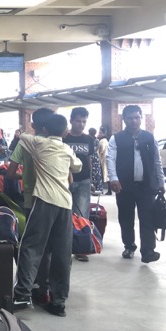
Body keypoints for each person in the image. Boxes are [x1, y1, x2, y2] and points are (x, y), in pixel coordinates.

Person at [12, 113, 81, 317]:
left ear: (43, 130)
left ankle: (22, 294)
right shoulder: (67, 149)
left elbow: (21, 135)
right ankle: (59, 302)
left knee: (31, 247)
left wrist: (22, 133)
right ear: (66, 131)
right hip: (65, 204)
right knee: (61, 252)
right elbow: (78, 166)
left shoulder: (38, 144)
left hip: (43, 200)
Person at [106, 105, 166, 263]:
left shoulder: (149, 137)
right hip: (124, 186)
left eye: (137, 117)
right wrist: (113, 178)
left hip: (146, 186)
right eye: (130, 118)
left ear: (141, 118)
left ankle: (148, 251)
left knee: (148, 218)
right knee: (126, 218)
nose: (134, 120)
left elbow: (157, 161)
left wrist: (161, 181)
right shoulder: (116, 138)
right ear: (124, 119)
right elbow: (110, 159)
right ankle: (129, 246)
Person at [7, 108, 54, 304]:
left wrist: (25, 177)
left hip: (31, 200)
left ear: (34, 125)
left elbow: (10, 173)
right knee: (50, 246)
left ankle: (27, 287)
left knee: (31, 245)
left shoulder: (25, 143)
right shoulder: (57, 144)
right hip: (54, 201)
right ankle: (46, 287)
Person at [64, 107, 96, 262]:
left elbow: (90, 162)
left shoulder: (89, 139)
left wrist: (91, 181)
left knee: (82, 214)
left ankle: (81, 248)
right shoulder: (64, 138)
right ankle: (65, 246)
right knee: (65, 214)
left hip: (83, 181)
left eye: (84, 121)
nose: (81, 124)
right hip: (64, 181)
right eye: (78, 121)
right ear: (71, 121)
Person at [97, 126, 110, 195]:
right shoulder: (106, 140)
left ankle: (105, 189)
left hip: (102, 159)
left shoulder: (102, 141)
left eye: (100, 133)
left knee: (104, 174)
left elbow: (101, 150)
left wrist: (98, 155)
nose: (98, 134)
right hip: (105, 158)